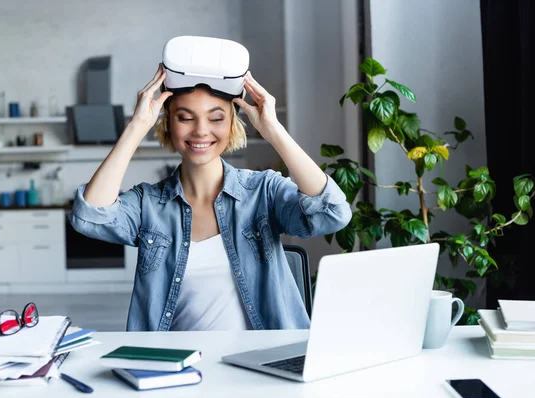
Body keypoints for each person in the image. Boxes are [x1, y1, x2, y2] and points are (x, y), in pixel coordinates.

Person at [70, 63, 352, 331]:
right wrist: (136, 126)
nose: (201, 130)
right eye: (185, 117)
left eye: (216, 118)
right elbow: (89, 217)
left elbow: (332, 214)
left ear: (231, 124)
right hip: (176, 365)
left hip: (262, 363)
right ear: (168, 122)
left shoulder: (263, 191)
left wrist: (273, 130)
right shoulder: (149, 204)